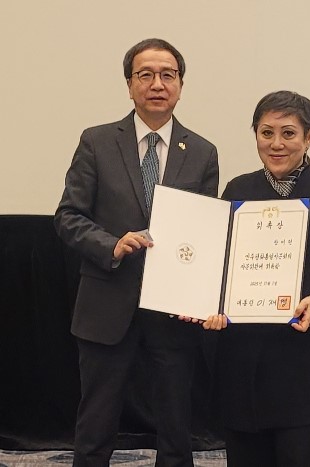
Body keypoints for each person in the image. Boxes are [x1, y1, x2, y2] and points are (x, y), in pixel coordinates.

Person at [54, 38, 220, 467]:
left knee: (176, 428)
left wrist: (199, 295)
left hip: (173, 310)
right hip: (106, 302)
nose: (157, 84)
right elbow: (68, 217)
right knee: (96, 424)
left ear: (181, 85)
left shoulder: (202, 152)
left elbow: (203, 233)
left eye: (168, 75)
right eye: (145, 75)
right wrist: (111, 244)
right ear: (129, 85)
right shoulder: (96, 142)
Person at [211, 90, 310, 467]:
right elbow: (219, 264)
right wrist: (209, 303)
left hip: (309, 372)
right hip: (246, 372)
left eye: (288, 133)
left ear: (308, 137)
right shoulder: (237, 191)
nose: (276, 144)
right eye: (266, 133)